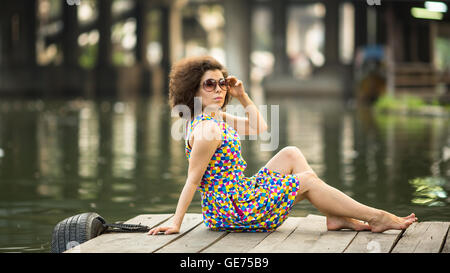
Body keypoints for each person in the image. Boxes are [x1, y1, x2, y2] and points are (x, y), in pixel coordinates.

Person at [148, 56, 417, 235]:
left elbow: (259, 128)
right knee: (308, 181)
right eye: (210, 84)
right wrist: (175, 223)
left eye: (222, 83)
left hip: (238, 195)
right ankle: (375, 217)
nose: (219, 89)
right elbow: (192, 181)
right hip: (232, 210)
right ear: (193, 90)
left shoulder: (213, 117)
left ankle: (337, 217)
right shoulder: (207, 129)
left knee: (290, 153)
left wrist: (242, 96)